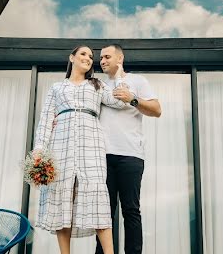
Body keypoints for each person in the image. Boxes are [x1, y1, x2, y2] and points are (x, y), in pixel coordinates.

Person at [33, 45, 129, 254]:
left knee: (98, 200)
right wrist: (39, 150)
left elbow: (119, 102)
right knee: (63, 200)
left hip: (91, 147)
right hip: (61, 147)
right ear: (72, 58)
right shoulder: (57, 88)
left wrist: (119, 72)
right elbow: (46, 120)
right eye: (83, 54)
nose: (88, 58)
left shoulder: (96, 85)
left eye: (91, 56)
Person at [94, 44, 162, 254]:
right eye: (101, 58)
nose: (102, 61)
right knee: (104, 213)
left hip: (131, 155)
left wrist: (132, 99)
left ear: (120, 58)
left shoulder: (138, 81)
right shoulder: (98, 86)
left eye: (107, 57)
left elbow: (157, 110)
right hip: (103, 157)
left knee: (131, 210)